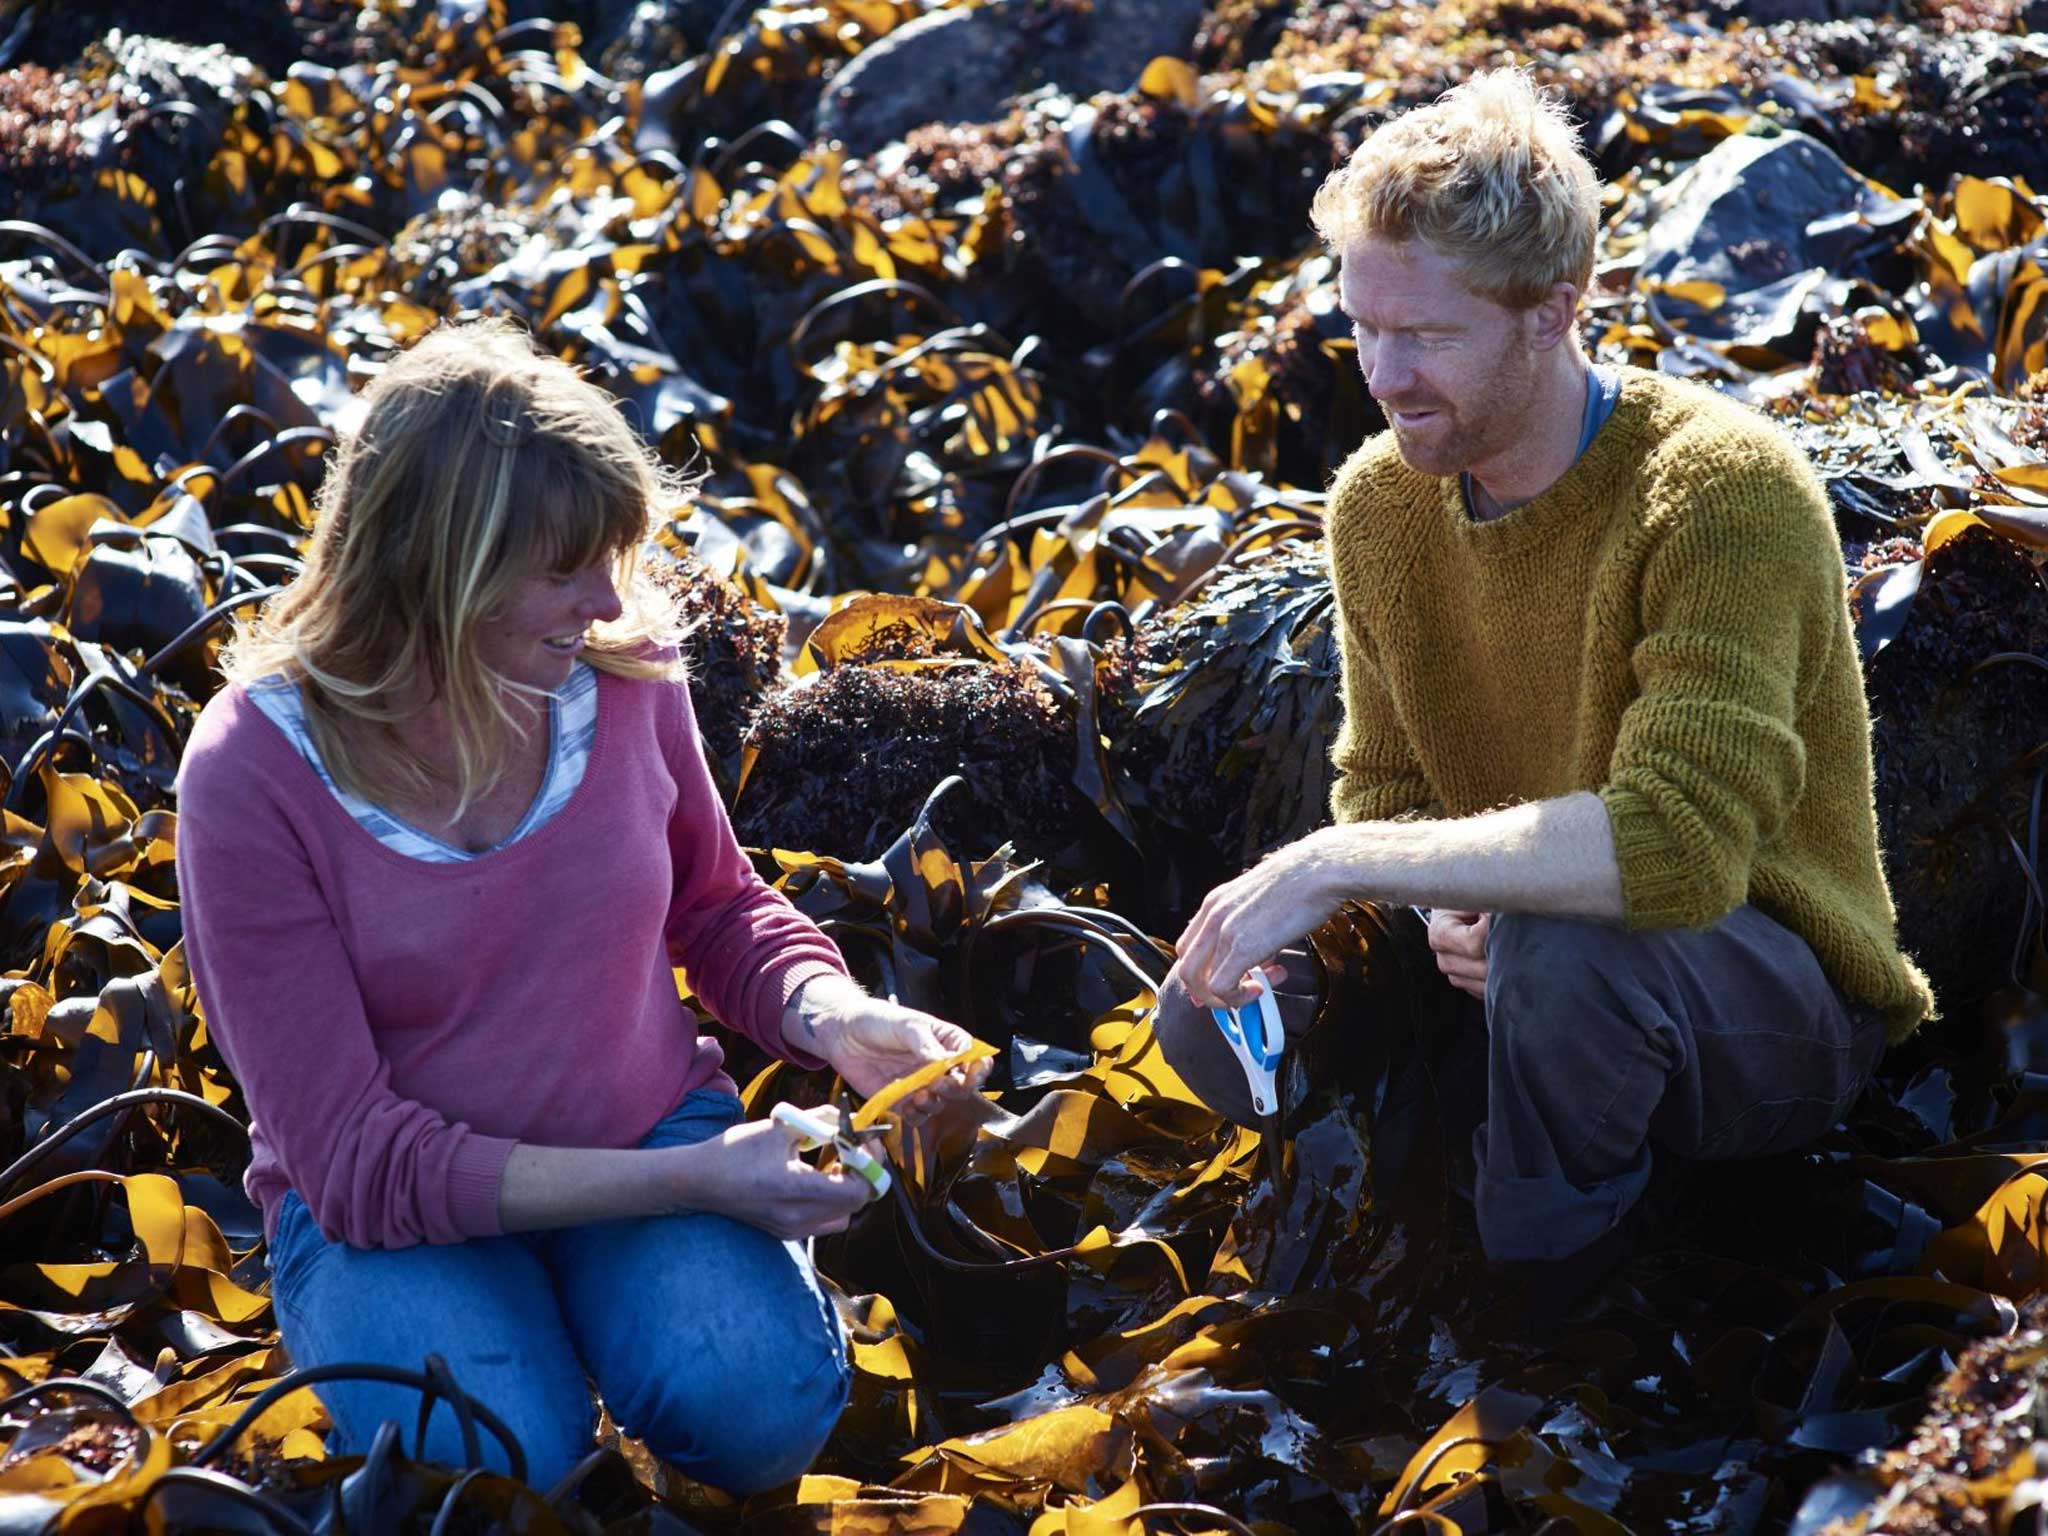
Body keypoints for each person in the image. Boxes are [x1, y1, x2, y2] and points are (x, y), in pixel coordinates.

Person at [174, 319, 987, 1492]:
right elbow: (354, 1161)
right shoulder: (256, 769)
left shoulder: (620, 670)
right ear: (429, 563)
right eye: (563, 568)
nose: (607, 600)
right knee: (493, 1458)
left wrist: (831, 1015)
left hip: (637, 1120)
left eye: (613, 554)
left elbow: (716, 907)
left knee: (759, 1403)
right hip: (395, 1217)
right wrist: (697, 1181)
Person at [1162, 70, 1935, 1292]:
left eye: (1422, 335)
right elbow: (1384, 788)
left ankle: (1552, 1312)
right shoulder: (1377, 501)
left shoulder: (1719, 490)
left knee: (1566, 961)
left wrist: (1342, 868)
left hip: (1765, 1001)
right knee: (1216, 989)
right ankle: (1370, 1223)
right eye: (1360, 326)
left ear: (1549, 311)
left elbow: (1676, 849)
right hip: (1507, 957)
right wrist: (1432, 906)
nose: (1380, 374)